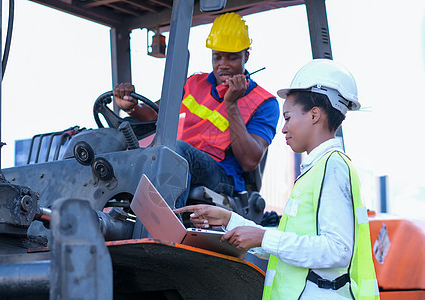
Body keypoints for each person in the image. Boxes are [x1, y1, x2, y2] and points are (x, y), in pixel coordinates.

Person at [174, 59, 380, 299]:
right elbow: (283, 247)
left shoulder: (332, 166)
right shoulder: (315, 171)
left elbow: (337, 250)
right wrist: (229, 219)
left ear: (314, 115)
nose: (283, 128)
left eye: (288, 118)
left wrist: (263, 236)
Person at [114, 13, 279, 208]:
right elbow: (153, 114)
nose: (223, 65)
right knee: (118, 148)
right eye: (217, 57)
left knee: (174, 152)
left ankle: (160, 228)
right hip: (176, 158)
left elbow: (249, 161)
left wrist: (231, 104)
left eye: (232, 57)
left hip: (221, 177)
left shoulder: (264, 102)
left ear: (246, 56)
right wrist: (131, 106)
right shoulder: (194, 83)